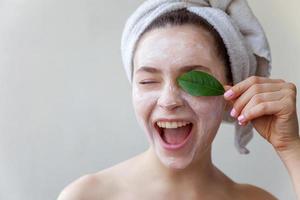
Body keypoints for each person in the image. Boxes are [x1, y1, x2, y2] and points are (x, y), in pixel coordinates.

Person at [57, 3, 300, 200]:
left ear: (231, 92)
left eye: (193, 80)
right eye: (148, 81)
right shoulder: (87, 196)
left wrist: (290, 148)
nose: (169, 100)